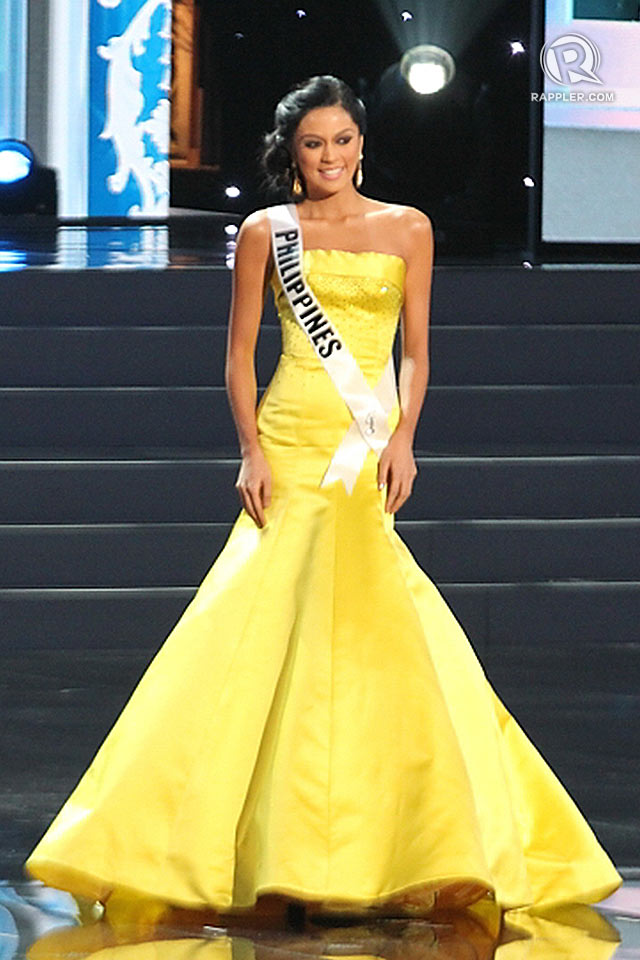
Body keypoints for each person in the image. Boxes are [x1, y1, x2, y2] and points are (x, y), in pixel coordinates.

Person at [24, 75, 622, 928]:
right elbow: (237, 353)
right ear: (291, 152)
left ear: (362, 145)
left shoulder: (408, 228)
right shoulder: (267, 233)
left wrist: (406, 435)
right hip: (293, 437)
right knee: (252, 624)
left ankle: (406, 841)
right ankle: (210, 844)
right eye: (314, 143)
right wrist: (251, 449)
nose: (331, 156)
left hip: (366, 444)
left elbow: (416, 352)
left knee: (380, 629)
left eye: (343, 140)